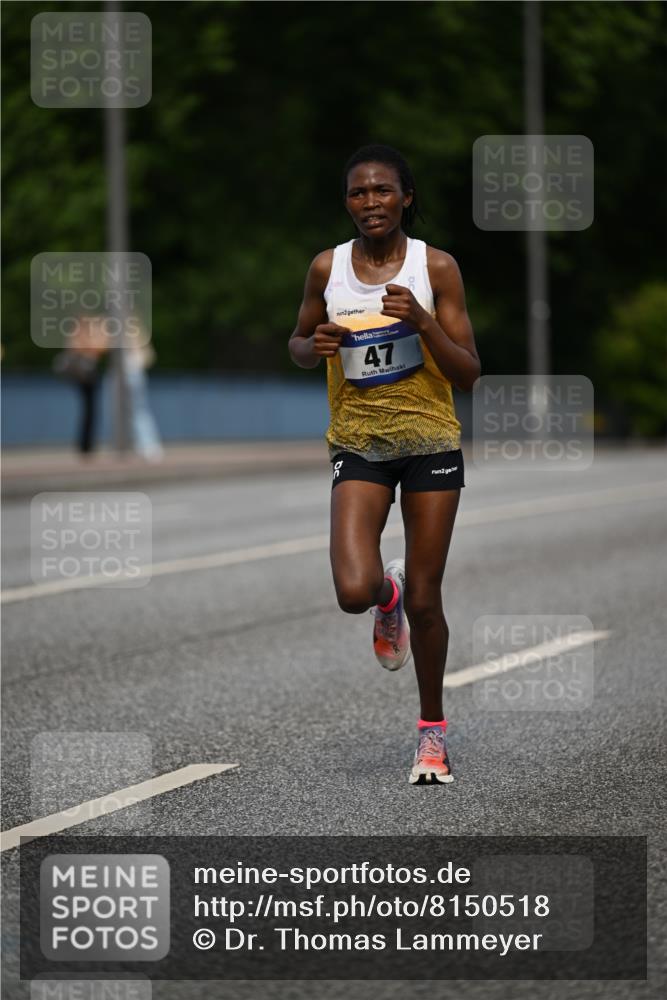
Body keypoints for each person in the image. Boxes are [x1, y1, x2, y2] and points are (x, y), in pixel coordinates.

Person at [288, 144, 481, 784]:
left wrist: (423, 322)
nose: (369, 203)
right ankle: (384, 594)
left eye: (381, 191)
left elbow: (469, 373)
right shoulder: (328, 267)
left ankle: (432, 736)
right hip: (359, 442)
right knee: (352, 591)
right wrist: (309, 346)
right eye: (357, 193)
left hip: (430, 442)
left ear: (406, 197)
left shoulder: (437, 267)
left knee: (428, 602)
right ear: (347, 202)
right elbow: (297, 341)